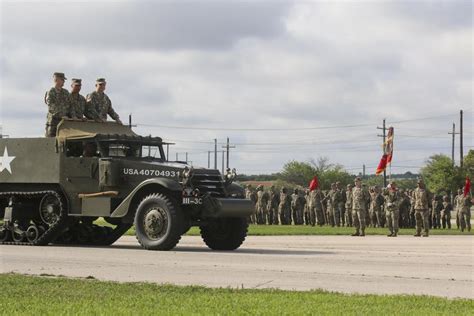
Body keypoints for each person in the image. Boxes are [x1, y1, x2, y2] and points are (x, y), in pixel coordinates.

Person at [45, 72, 70, 137]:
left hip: (64, 123)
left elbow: (69, 105)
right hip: (53, 122)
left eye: (64, 80)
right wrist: (61, 115)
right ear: (56, 80)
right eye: (62, 79)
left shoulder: (65, 92)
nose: (64, 81)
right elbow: (51, 106)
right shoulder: (51, 92)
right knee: (50, 142)